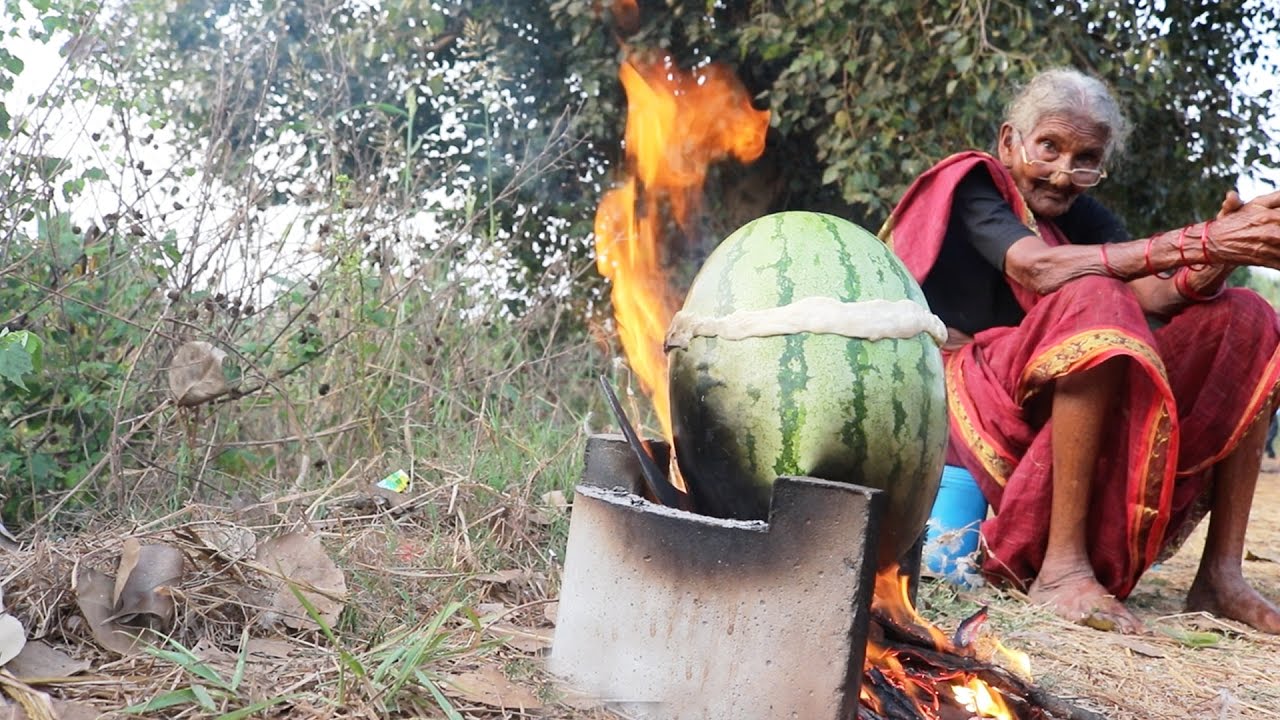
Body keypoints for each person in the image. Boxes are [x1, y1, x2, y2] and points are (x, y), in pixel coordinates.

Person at [879, 67, 1280, 634]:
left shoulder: (1077, 214)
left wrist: (1220, 255)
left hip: (1048, 388)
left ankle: (1220, 575)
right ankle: (1061, 570)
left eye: (1085, 158)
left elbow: (1154, 293)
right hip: (954, 384)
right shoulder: (976, 185)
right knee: (1093, 293)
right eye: (1049, 148)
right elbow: (1036, 268)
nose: (1065, 173)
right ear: (1009, 141)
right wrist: (1195, 241)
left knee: (1249, 317)